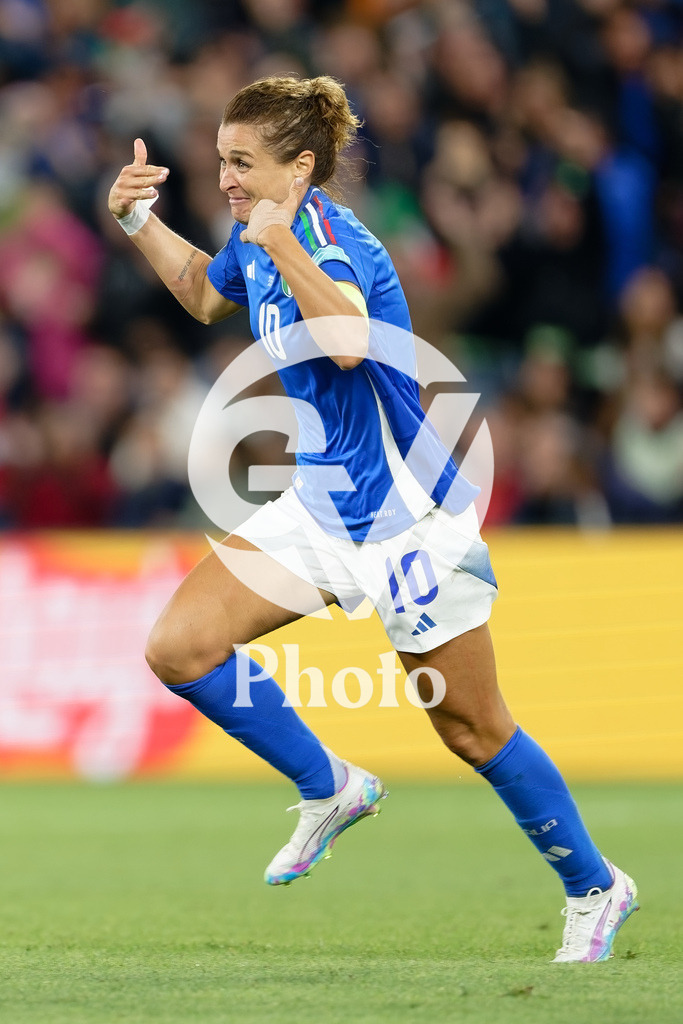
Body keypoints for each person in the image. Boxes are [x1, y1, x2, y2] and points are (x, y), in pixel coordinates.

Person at [108, 75, 638, 962]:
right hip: (319, 508)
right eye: (221, 162)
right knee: (179, 646)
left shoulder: (333, 239)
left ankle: (594, 884)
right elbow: (206, 293)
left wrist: (280, 242)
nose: (227, 180)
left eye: (243, 164)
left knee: (471, 726)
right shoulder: (257, 233)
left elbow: (349, 340)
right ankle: (331, 786)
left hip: (406, 524)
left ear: (301, 167)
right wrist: (136, 222)